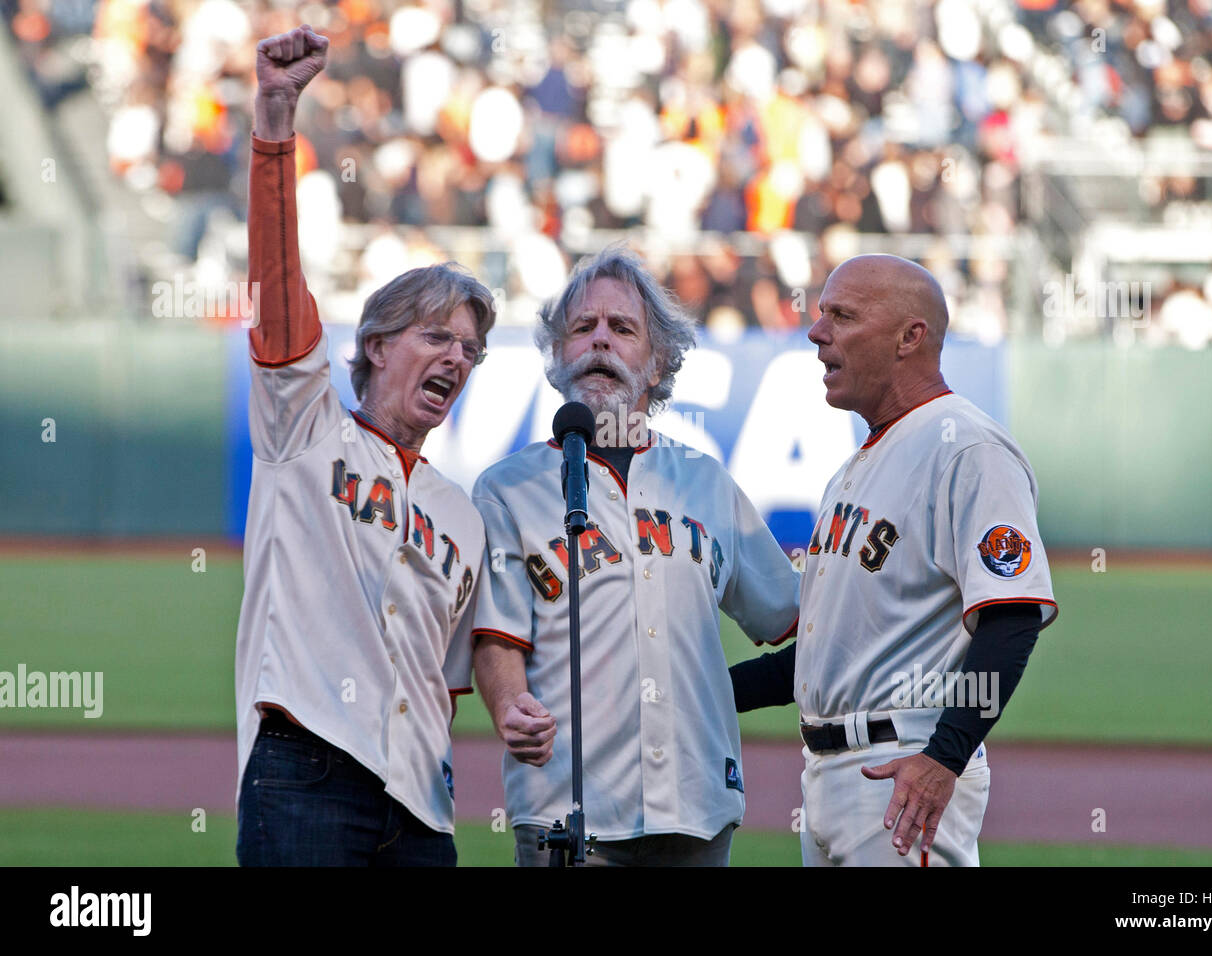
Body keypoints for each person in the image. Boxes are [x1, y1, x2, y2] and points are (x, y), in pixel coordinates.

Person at [234, 25, 496, 866]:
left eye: (469, 348)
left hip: (423, 810)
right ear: (377, 345)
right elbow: (276, 287)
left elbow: (444, 684)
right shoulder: (302, 427)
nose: (455, 356)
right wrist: (276, 121)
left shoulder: (462, 513)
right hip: (306, 773)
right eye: (435, 336)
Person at [471, 246, 800, 866]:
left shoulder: (707, 482)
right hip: (565, 816)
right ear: (558, 355)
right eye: (582, 328)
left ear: (659, 362)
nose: (600, 342)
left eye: (622, 329)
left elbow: (792, 615)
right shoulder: (506, 489)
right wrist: (509, 703)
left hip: (697, 811)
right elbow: (498, 637)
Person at [730, 254, 1057, 866]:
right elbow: (822, 658)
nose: (817, 332)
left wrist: (944, 758)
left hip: (906, 767)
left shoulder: (968, 449)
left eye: (843, 315)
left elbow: (1010, 619)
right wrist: (699, 693)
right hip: (831, 774)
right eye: (822, 314)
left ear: (911, 337)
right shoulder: (853, 471)